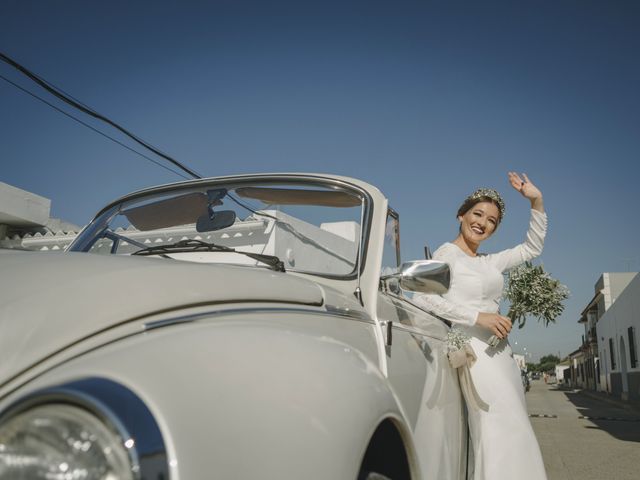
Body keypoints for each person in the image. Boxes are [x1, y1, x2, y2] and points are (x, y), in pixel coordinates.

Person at [414, 171, 548, 480]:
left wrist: (536, 201)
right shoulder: (446, 255)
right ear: (461, 215)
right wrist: (479, 318)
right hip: (473, 353)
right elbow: (423, 299)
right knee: (497, 427)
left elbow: (532, 249)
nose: (483, 222)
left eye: (492, 220)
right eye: (477, 214)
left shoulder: (490, 262)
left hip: (501, 357)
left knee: (515, 424)